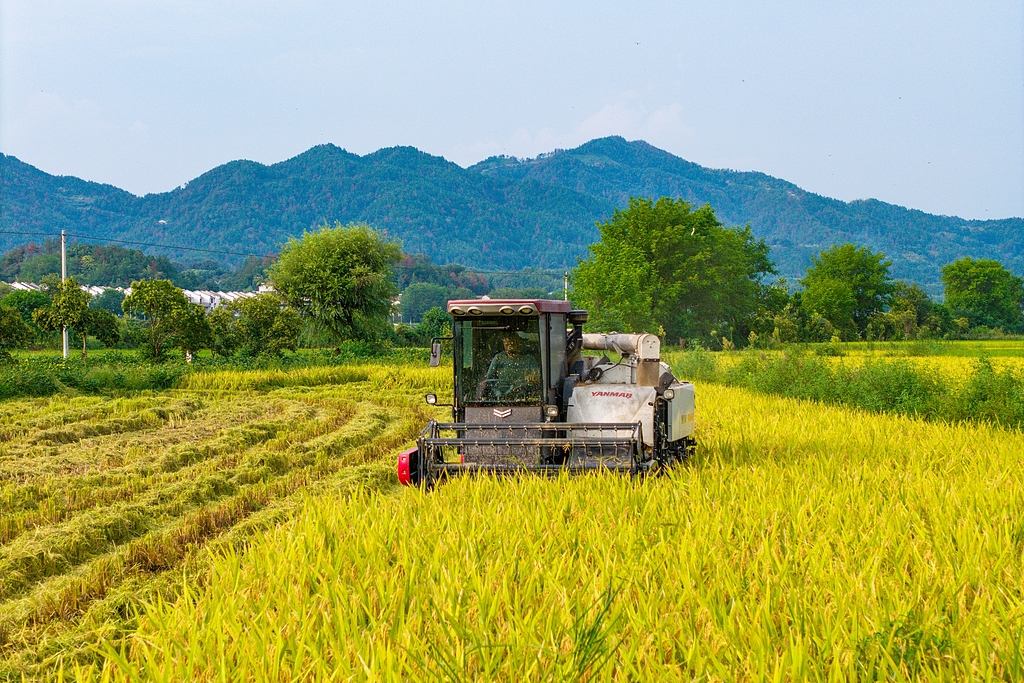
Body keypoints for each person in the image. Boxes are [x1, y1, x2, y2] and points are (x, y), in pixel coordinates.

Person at [479, 332, 540, 400]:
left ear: (518, 342)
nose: (510, 347)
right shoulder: (498, 358)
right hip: (501, 397)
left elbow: (538, 378)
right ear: (503, 345)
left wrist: (532, 377)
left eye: (512, 344)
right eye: (507, 344)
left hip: (522, 396)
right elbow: (489, 378)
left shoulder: (529, 359)